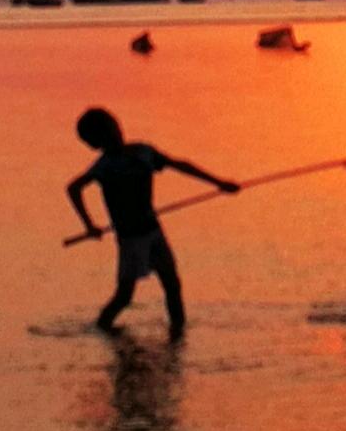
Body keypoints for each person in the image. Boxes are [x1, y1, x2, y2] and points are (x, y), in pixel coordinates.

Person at [67, 107, 240, 338]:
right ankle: (101, 329)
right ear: (96, 142)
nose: (116, 134)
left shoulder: (142, 152)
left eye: (115, 127)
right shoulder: (105, 166)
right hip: (131, 239)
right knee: (125, 296)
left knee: (172, 285)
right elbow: (74, 188)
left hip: (154, 231)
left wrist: (218, 183)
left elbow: (180, 165)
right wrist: (89, 225)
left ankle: (178, 335)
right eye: (108, 132)